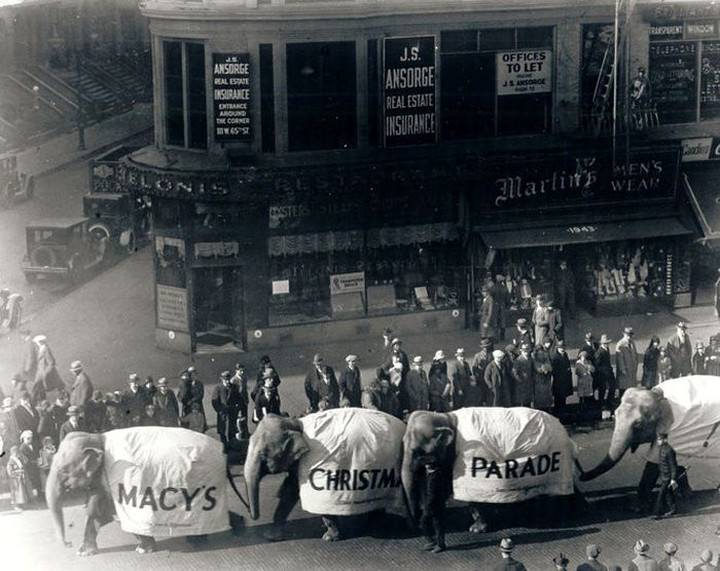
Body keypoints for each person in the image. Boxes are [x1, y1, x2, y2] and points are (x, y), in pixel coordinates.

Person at [417, 452, 451, 554]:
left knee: (437, 525)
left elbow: (437, 492)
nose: (426, 466)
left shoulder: (437, 475)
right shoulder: (428, 473)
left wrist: (429, 505)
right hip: (430, 504)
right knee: (426, 523)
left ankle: (440, 544)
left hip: (436, 504)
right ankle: (432, 541)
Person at [212, 370, 243, 451]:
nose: (227, 381)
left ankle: (232, 448)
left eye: (228, 379)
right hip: (223, 414)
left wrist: (237, 409)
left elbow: (239, 399)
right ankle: (225, 448)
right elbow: (214, 401)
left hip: (232, 413)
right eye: (225, 380)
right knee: (223, 432)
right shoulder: (218, 388)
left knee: (232, 431)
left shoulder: (234, 387)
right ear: (222, 379)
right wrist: (219, 410)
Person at [653, 432, 678, 519]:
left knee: (661, 495)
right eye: (657, 439)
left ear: (665, 440)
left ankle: (657, 513)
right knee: (668, 493)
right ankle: (673, 509)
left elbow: (673, 465)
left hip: (667, 477)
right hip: (663, 475)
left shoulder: (669, 450)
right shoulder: (662, 448)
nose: (658, 441)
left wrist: (673, 479)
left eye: (659, 439)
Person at [616, 327, 639, 400]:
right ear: (624, 334)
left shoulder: (632, 342)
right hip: (625, 371)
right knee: (624, 389)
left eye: (630, 335)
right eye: (627, 335)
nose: (629, 337)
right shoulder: (620, 344)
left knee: (631, 389)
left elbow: (635, 354)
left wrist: (636, 364)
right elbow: (620, 359)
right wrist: (623, 369)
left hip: (632, 370)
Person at [6, 445, 31, 511]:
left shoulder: (19, 459)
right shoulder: (11, 461)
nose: (18, 454)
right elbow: (10, 471)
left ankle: (21, 504)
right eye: (16, 453)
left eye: (18, 453)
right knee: (15, 492)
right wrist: (17, 472)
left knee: (21, 492)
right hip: (14, 479)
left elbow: (26, 461)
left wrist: (22, 456)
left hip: (19, 478)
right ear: (13, 453)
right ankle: (16, 506)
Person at [551, 340, 573, 416]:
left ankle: (563, 411)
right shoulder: (555, 357)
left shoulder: (565, 355)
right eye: (560, 348)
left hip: (565, 380)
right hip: (558, 381)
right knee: (558, 398)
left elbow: (568, 365)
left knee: (564, 397)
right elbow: (554, 370)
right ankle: (558, 413)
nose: (562, 349)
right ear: (557, 348)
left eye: (563, 347)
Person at [18, 429, 41, 500]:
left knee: (38, 481)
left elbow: (37, 454)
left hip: (35, 467)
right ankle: (34, 498)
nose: (30, 440)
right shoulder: (22, 448)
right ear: (24, 438)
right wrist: (34, 462)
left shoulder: (33, 445)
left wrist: (38, 460)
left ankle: (39, 495)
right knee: (32, 483)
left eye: (30, 438)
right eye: (28, 438)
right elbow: (25, 460)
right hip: (29, 468)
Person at [532, 338, 554, 412]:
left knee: (547, 397)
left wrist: (546, 368)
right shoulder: (534, 359)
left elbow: (550, 368)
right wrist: (544, 368)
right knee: (540, 399)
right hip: (539, 381)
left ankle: (548, 409)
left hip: (546, 380)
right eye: (539, 353)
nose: (541, 354)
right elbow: (538, 369)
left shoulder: (546, 357)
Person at [595, 334, 616, 409]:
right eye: (605, 343)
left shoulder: (607, 349)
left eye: (607, 343)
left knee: (613, 386)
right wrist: (603, 371)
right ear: (601, 344)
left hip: (609, 372)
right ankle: (601, 404)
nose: (607, 344)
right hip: (602, 374)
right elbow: (597, 365)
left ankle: (610, 401)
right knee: (602, 389)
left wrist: (609, 369)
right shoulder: (599, 352)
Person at [512, 342, 535, 407]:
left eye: (527, 350)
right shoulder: (518, 360)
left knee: (528, 402)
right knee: (521, 402)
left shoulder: (530, 359)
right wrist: (520, 380)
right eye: (524, 351)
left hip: (529, 384)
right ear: (521, 351)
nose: (526, 352)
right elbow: (514, 372)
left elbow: (532, 370)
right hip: (521, 385)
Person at [231, 363, 250, 439]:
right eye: (240, 371)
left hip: (244, 401)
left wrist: (247, 399)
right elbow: (232, 393)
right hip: (237, 402)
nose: (242, 372)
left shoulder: (244, 378)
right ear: (236, 371)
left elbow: (245, 390)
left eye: (243, 371)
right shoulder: (233, 380)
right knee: (238, 418)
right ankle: (239, 432)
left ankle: (245, 431)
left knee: (245, 416)